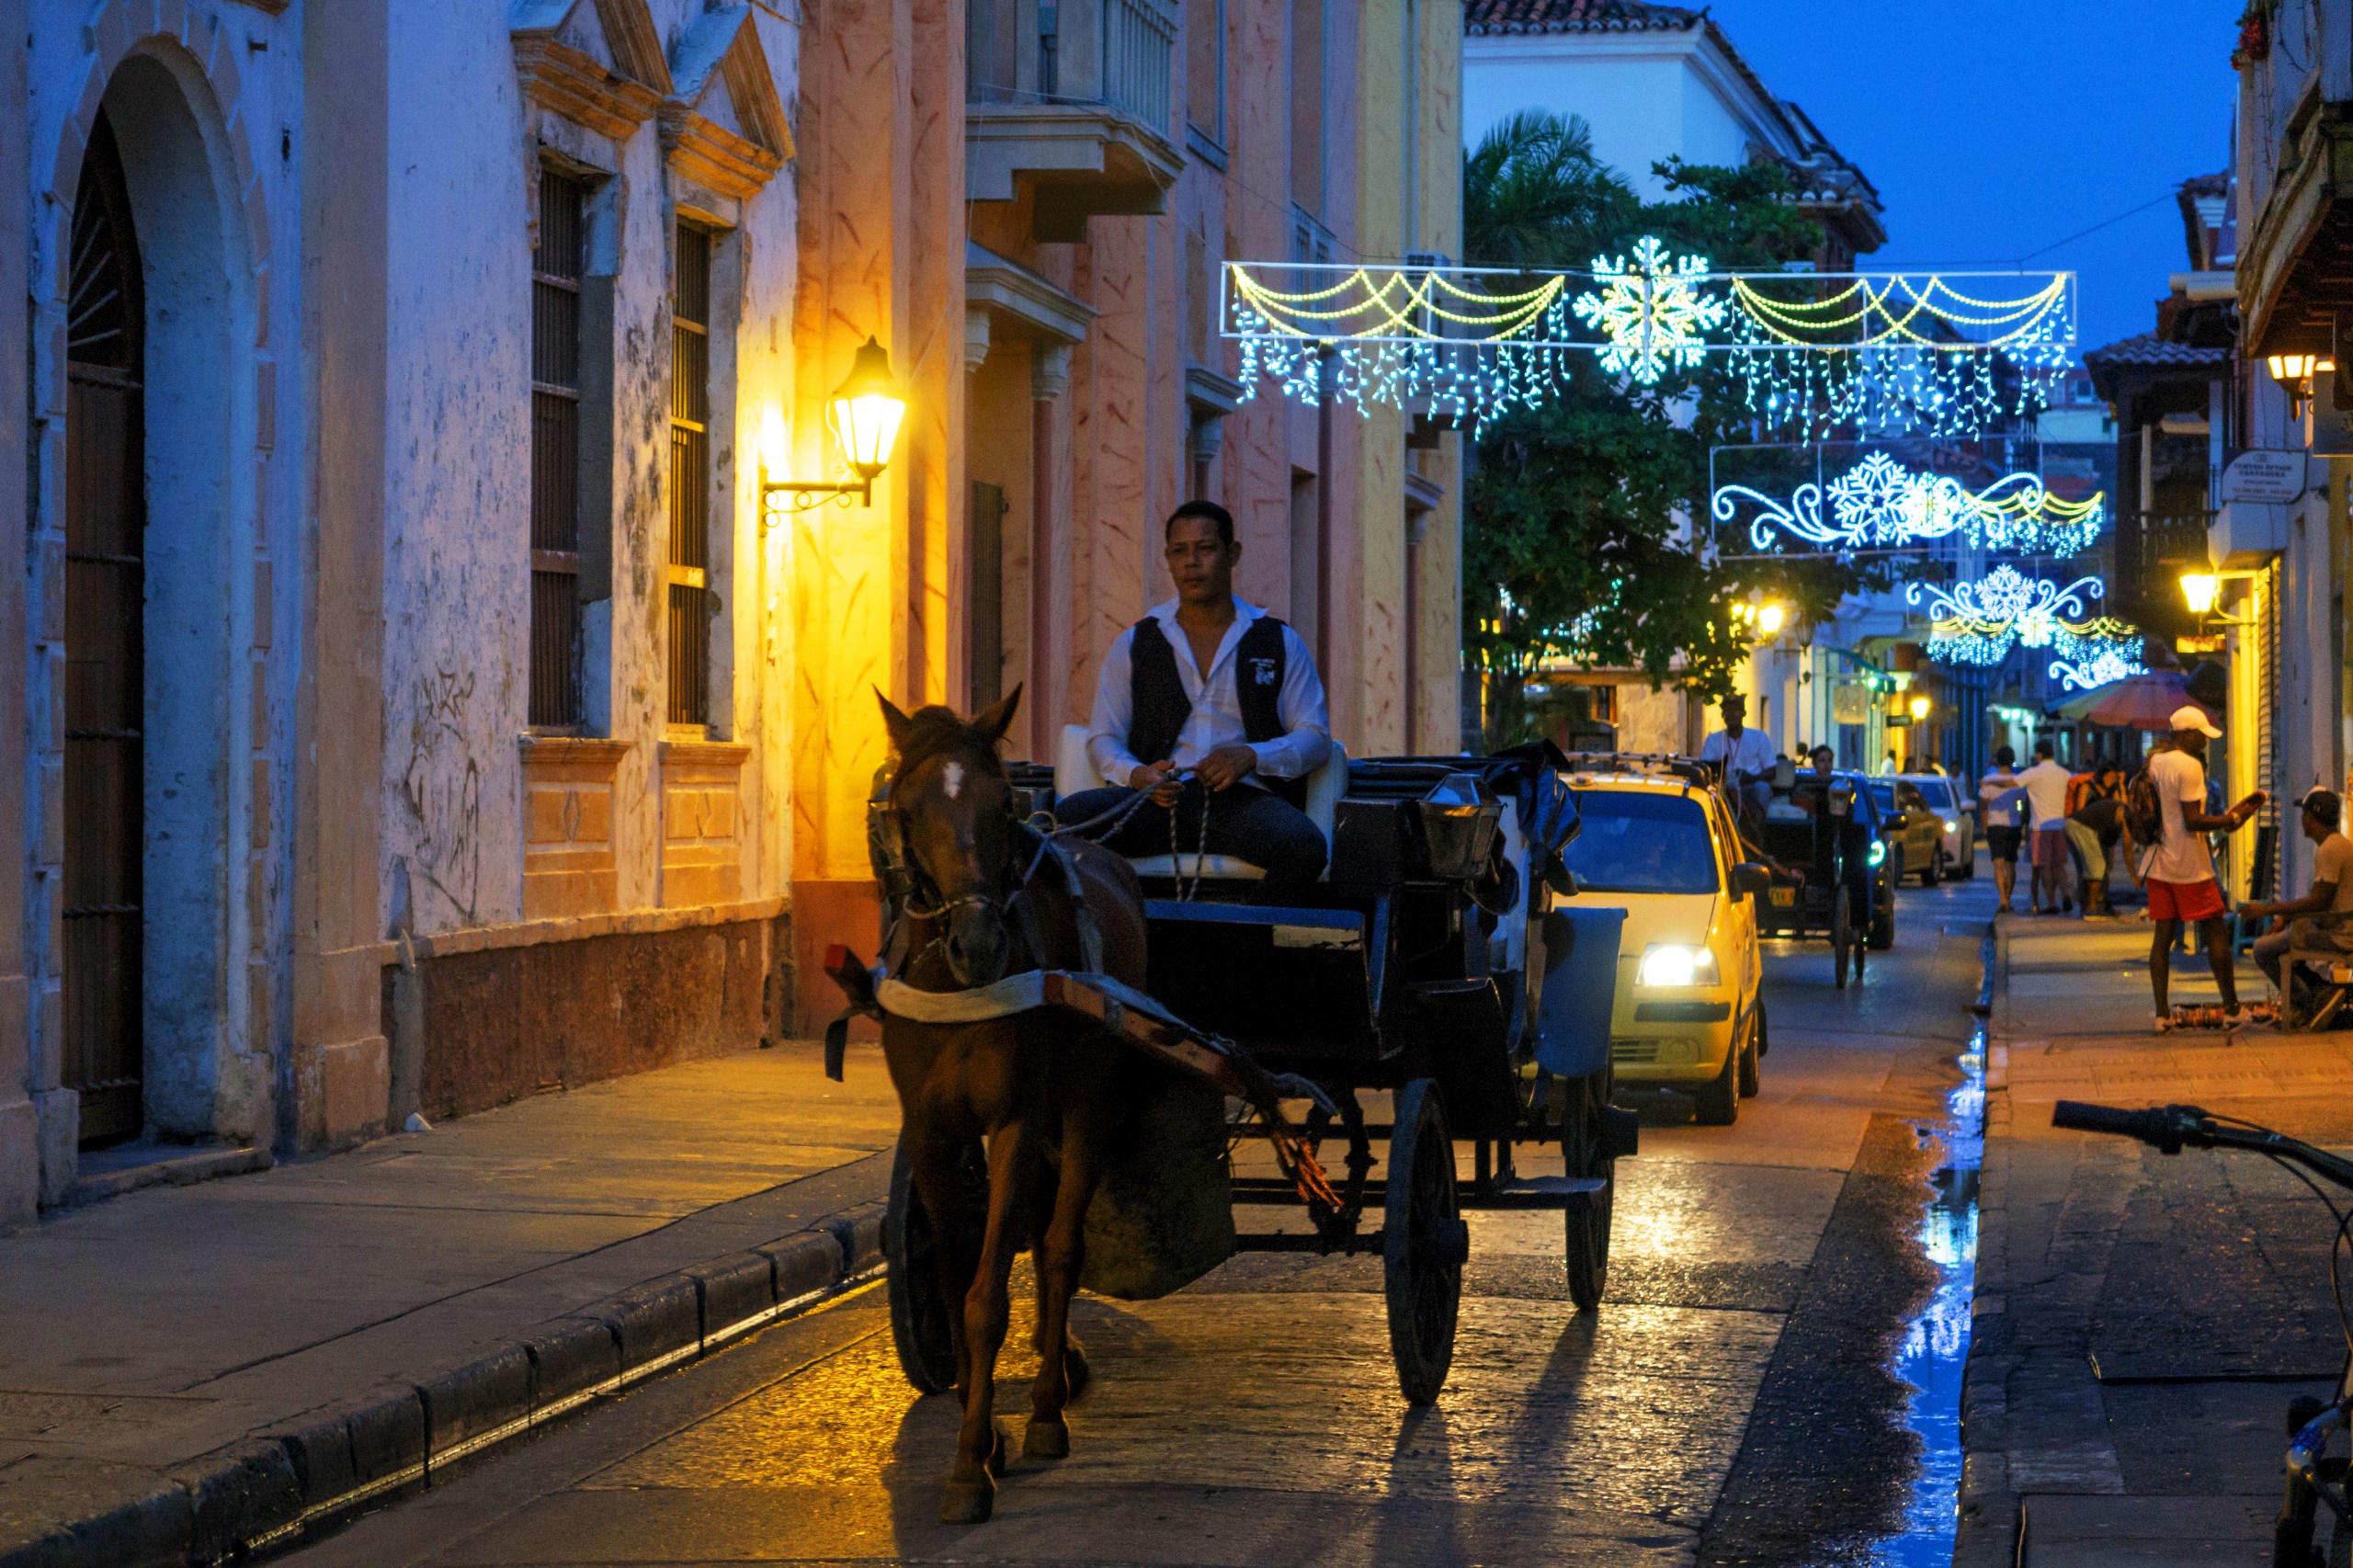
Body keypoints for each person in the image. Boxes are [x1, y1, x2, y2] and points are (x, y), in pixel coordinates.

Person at [1060, 500, 1332, 902]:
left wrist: (1251, 756)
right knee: (1060, 824)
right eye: (1179, 551)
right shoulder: (1137, 642)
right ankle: (1117, 933)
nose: (1191, 562)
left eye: (1205, 549)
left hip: (1242, 803)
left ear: (1232, 554)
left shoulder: (1276, 641)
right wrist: (1137, 775)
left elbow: (1315, 737)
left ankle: (1238, 945)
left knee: (1304, 847)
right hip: (1155, 801)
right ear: (1168, 559)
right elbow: (1103, 737)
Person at [2140, 705, 2267, 1031]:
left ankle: (2160, 1014)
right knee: (2214, 928)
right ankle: (2231, 1007)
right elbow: (2192, 821)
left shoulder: (2154, 762)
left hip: (2157, 860)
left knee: (2162, 938)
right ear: (2187, 734)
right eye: (2201, 736)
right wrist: (2231, 819)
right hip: (2190, 864)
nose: (2204, 743)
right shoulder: (2190, 766)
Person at [2243, 788, 2353, 1001]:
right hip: (2338, 927)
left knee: (2262, 949)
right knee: (2283, 940)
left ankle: (2306, 1000)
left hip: (2341, 935)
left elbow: (2319, 902)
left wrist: (2266, 909)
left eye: (2304, 814)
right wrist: (2287, 918)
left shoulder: (2330, 849)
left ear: (2311, 818)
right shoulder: (2339, 845)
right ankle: (2317, 988)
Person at [2063, 765, 2130, 919]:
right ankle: (2087, 906)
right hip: (2087, 831)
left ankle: (2102, 904)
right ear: (2101, 775)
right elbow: (2080, 810)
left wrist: (2120, 785)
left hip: (2105, 835)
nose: (2111, 780)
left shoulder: (2114, 789)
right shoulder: (2088, 787)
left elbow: (2122, 808)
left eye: (2114, 777)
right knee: (2088, 869)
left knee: (2105, 869)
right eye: (2109, 777)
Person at [2018, 740, 2075, 915]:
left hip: (2040, 827)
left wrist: (1988, 782)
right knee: (2059, 865)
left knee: (2044, 866)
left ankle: (2051, 903)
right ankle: (2065, 893)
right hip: (2060, 826)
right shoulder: (2065, 774)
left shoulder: (2033, 773)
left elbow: (2012, 783)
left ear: (2039, 754)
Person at [1701, 694, 1778, 816]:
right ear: (1723, 715)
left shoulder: (1759, 737)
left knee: (1762, 788)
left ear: (1744, 713)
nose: (1731, 714)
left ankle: (1759, 826)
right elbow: (1705, 768)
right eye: (1728, 710)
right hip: (1723, 788)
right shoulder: (1713, 739)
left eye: (1736, 710)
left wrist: (1751, 777)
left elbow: (1772, 770)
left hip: (1751, 786)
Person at [1979, 746, 2027, 915]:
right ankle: (2008, 898)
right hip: (2013, 824)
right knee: (2011, 864)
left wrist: (1985, 827)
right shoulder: (2018, 780)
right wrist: (2022, 823)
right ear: (2012, 760)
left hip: (1995, 825)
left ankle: (2002, 899)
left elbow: (1984, 807)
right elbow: (2023, 803)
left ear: (1997, 760)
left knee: (1998, 864)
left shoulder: (1987, 780)